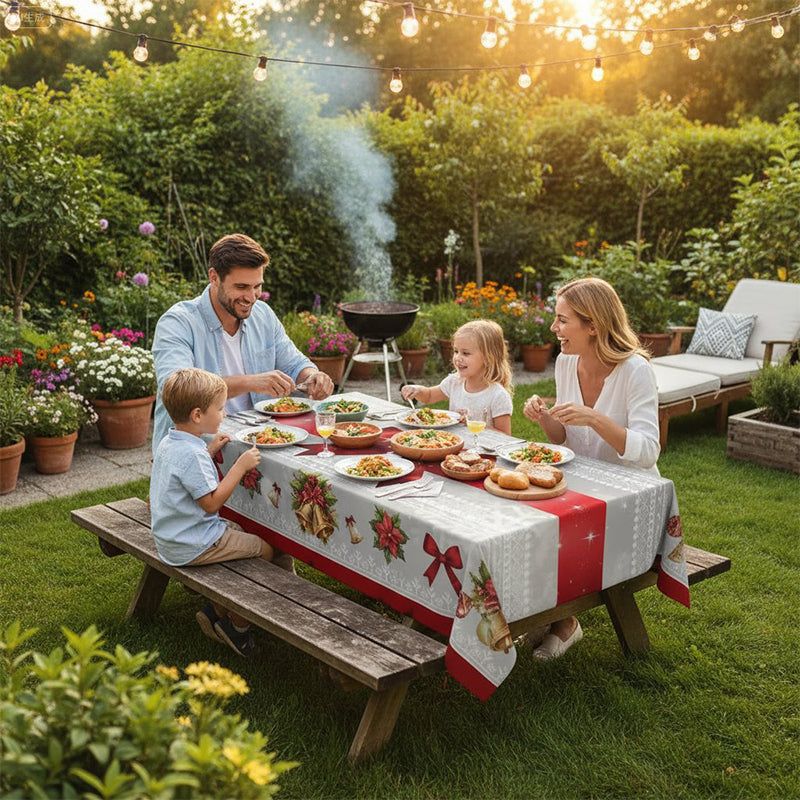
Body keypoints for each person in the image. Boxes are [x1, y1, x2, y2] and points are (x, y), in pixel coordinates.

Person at [522, 276, 660, 660]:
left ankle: (564, 622)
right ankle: (536, 612)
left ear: (594, 325)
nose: (554, 328)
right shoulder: (567, 363)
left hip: (630, 497)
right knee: (520, 517)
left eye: (562, 320)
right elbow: (564, 440)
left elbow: (648, 451)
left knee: (551, 529)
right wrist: (546, 419)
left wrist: (596, 419)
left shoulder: (636, 371)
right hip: (582, 486)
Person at [151, 233, 333, 453]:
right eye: (241, 287)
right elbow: (178, 392)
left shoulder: (263, 315)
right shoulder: (178, 322)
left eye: (257, 286)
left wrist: (312, 376)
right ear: (214, 277)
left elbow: (294, 363)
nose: (251, 297)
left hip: (256, 440)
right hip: (195, 450)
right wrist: (251, 382)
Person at [151, 367, 274, 657]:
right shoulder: (191, 454)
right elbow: (211, 503)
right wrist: (239, 467)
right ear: (197, 415)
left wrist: (209, 450)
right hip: (192, 544)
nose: (224, 414)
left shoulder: (172, 442)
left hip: (170, 537)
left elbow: (186, 475)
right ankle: (237, 626)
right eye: (219, 409)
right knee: (266, 549)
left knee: (242, 533)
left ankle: (217, 609)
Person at [401, 319, 513, 435]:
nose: (458, 358)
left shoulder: (498, 396)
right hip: (453, 445)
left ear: (488, 358)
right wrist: (417, 390)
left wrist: (470, 425)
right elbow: (429, 396)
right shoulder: (455, 381)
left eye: (465, 353)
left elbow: (505, 436)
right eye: (456, 351)